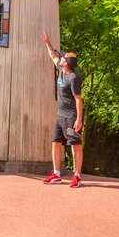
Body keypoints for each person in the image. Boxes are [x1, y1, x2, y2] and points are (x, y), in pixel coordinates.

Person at [40, 31, 83, 188]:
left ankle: (77, 176)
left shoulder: (74, 78)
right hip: (60, 116)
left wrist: (79, 120)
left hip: (71, 117)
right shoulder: (61, 68)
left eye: (63, 57)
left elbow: (78, 100)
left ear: (67, 63)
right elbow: (53, 55)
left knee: (76, 145)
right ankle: (56, 174)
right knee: (56, 143)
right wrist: (47, 42)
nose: (61, 57)